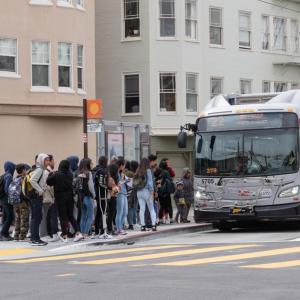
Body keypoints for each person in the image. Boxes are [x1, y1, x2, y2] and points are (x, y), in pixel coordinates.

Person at [47, 160, 83, 243]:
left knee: (63, 217)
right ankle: (78, 233)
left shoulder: (57, 174)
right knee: (70, 216)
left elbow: (48, 182)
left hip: (60, 197)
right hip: (70, 197)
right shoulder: (70, 174)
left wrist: (51, 173)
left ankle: (65, 236)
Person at [29, 153, 50, 246]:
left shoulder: (39, 169)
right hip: (37, 197)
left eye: (48, 160)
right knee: (37, 217)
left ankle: (35, 238)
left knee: (36, 217)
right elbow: (32, 180)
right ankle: (35, 239)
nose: (48, 162)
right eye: (46, 160)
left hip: (36, 197)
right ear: (41, 160)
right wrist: (40, 190)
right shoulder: (40, 170)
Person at [134, 158, 156, 231]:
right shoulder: (148, 171)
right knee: (151, 209)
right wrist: (152, 193)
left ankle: (142, 226)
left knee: (142, 209)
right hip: (147, 191)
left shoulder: (138, 171)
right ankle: (153, 225)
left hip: (139, 192)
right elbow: (150, 183)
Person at [77, 158, 95, 238]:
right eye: (91, 163)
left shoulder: (78, 173)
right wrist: (94, 195)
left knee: (83, 216)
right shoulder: (89, 173)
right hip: (88, 196)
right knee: (91, 216)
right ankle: (86, 233)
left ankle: (82, 233)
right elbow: (91, 186)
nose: (92, 165)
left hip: (81, 197)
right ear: (87, 164)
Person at [93, 156, 111, 238]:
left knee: (100, 212)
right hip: (101, 193)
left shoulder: (96, 169)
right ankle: (103, 230)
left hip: (98, 193)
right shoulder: (102, 171)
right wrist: (109, 188)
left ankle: (98, 230)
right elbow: (102, 183)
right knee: (103, 211)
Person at [43, 155, 59, 242]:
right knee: (52, 216)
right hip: (50, 197)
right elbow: (49, 186)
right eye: (53, 160)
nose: (54, 162)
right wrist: (53, 196)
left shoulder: (46, 171)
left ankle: (50, 233)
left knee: (49, 216)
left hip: (47, 197)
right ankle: (53, 233)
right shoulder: (48, 172)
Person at [12, 164, 30, 241]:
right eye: (25, 170)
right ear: (23, 170)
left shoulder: (15, 179)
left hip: (15, 202)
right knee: (24, 218)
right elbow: (25, 191)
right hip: (23, 202)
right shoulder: (24, 179)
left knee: (17, 218)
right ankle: (22, 236)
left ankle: (16, 235)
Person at [0, 161, 16, 241]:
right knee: (10, 216)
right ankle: (3, 233)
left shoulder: (3, 175)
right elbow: (7, 189)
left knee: (6, 216)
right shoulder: (9, 176)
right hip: (7, 199)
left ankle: (5, 234)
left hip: (2, 199)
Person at [115, 157, 128, 235]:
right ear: (121, 165)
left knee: (125, 212)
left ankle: (121, 227)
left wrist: (125, 179)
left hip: (124, 193)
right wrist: (123, 179)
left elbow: (122, 182)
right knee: (120, 212)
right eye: (124, 165)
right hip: (119, 193)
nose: (124, 167)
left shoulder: (120, 173)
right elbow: (119, 183)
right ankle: (118, 229)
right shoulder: (116, 173)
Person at [106, 163, 119, 235]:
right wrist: (118, 187)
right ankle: (110, 229)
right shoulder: (111, 179)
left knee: (110, 214)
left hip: (109, 197)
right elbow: (116, 190)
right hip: (112, 197)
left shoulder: (108, 177)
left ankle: (110, 228)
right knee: (111, 214)